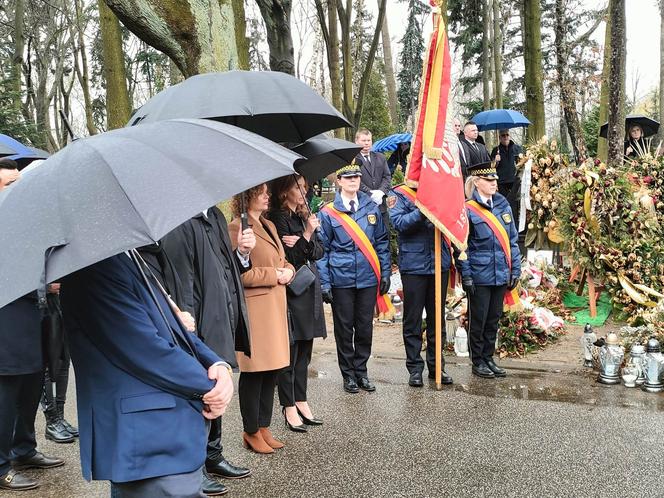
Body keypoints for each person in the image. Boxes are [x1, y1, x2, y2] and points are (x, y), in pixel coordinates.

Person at [60, 253, 234, 498]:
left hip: (163, 436)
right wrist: (211, 384)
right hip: (147, 438)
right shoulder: (93, 269)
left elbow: (174, 330)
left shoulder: (125, 256)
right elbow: (144, 349)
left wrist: (217, 363)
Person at [161, 208, 255, 493]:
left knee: (220, 384)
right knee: (201, 392)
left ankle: (213, 455)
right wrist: (188, 330)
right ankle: (195, 465)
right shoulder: (178, 218)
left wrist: (242, 252)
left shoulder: (213, 215)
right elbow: (181, 280)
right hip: (198, 320)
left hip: (220, 313)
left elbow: (227, 268)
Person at [0, 164, 64, 493]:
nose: (19, 187)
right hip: (6, 320)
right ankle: (1, 466)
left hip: (33, 315)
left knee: (30, 386)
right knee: (5, 393)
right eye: (11, 183)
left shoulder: (23, 220)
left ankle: (23, 449)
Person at [228, 184, 294, 454]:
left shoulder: (268, 224)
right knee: (255, 372)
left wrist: (289, 271)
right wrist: (274, 275)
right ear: (248, 195)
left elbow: (283, 259)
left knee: (273, 369)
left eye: (268, 191)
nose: (268, 196)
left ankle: (264, 426)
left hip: (275, 306)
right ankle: (251, 430)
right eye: (262, 192)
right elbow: (238, 273)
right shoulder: (236, 227)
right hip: (256, 311)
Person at [317, 163, 390, 394]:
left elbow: (382, 243)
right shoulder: (328, 212)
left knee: (365, 328)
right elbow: (322, 251)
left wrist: (385, 272)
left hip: (368, 278)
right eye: (348, 178)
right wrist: (325, 283)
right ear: (339, 181)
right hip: (341, 280)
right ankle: (348, 375)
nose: (353, 181)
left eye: (356, 177)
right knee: (344, 328)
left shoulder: (371, 207)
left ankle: (362, 372)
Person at [267, 176, 327, 433]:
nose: (304, 190)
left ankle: (301, 399)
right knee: (290, 351)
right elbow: (288, 256)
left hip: (310, 286)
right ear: (284, 192)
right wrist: (306, 236)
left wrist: (304, 239)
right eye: (297, 187)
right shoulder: (277, 217)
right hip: (293, 291)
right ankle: (288, 404)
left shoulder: (304, 216)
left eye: (304, 185)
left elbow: (318, 251)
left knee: (305, 348)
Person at [458, 162, 521, 379]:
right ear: (477, 182)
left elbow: (512, 240)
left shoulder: (503, 204)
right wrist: (466, 274)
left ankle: (489, 357)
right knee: (479, 320)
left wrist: (515, 270)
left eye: (495, 180)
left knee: (493, 318)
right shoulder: (467, 209)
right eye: (489, 180)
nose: (494, 183)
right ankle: (478, 361)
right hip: (479, 274)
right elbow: (461, 245)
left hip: (501, 272)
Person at [389, 183, 454, 387]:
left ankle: (437, 367)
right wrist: (423, 210)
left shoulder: (441, 186)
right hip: (414, 266)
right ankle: (415, 369)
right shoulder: (399, 194)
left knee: (437, 320)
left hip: (438, 263)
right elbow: (399, 222)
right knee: (413, 320)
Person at [40, 283, 78, 444]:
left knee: (63, 359)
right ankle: (52, 420)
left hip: (58, 304)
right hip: (41, 307)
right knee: (47, 363)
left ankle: (60, 417)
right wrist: (45, 288)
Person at [354, 128, 392, 228]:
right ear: (357, 141)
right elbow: (355, 180)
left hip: (381, 205)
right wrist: (370, 193)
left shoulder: (380, 157)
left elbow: (387, 176)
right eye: (363, 141)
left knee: (385, 235)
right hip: (363, 205)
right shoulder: (353, 160)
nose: (366, 143)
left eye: (369, 140)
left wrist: (381, 192)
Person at [490, 129, 523, 218]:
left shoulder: (517, 148)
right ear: (499, 137)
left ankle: (515, 225)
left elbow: (522, 163)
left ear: (509, 135)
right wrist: (495, 161)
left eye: (507, 135)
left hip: (514, 181)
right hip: (501, 182)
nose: (505, 137)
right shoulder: (495, 150)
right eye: (503, 135)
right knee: (503, 203)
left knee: (514, 204)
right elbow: (491, 167)